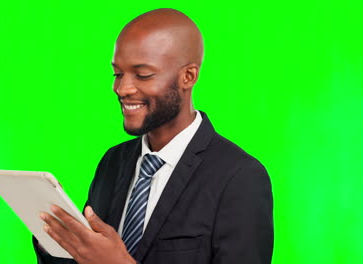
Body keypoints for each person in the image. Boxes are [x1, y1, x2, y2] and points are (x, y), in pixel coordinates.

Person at [33, 8, 273, 264]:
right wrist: (54, 237)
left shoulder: (240, 178)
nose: (122, 89)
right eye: (117, 73)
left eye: (143, 75)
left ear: (188, 76)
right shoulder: (113, 161)